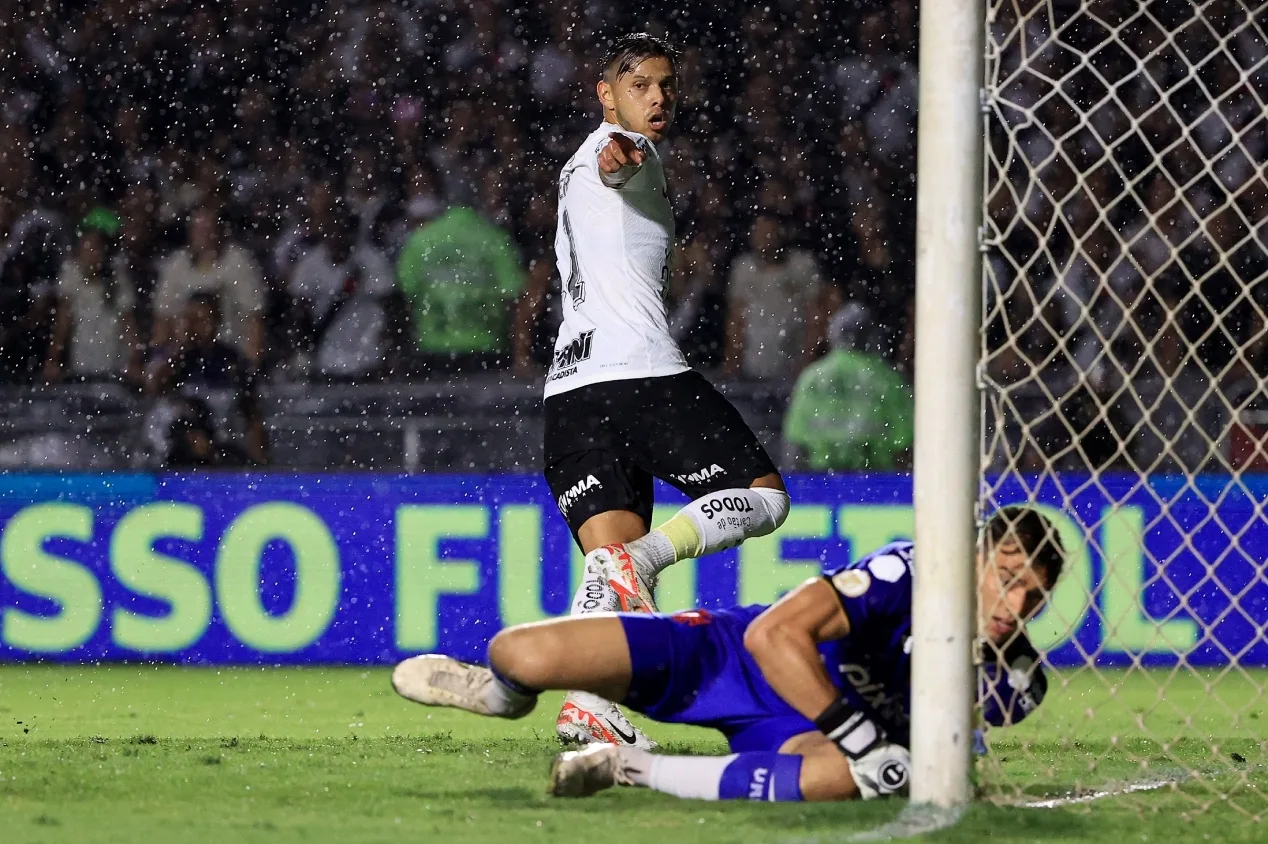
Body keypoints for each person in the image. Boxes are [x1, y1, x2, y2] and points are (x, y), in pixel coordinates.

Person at [393, 506, 1063, 802]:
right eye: (1008, 580)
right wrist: (861, 736)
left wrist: (885, 757)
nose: (1016, 605)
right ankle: (499, 698)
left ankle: (626, 768)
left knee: (848, 779)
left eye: (1034, 596)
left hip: (799, 731)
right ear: (978, 556)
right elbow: (772, 637)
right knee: (521, 655)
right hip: (728, 659)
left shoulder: (1014, 678)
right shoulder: (905, 574)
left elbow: (950, 744)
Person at [541, 33, 789, 748]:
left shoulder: (570, 169)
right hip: (638, 376)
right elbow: (619, 159)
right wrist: (624, 152)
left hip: (570, 395)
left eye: (666, 85)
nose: (657, 98)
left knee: (612, 575)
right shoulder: (624, 152)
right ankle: (643, 559)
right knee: (765, 497)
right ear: (605, 93)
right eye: (640, 85)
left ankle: (591, 705)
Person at [782, 304, 913, 471]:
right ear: (872, 336)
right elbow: (905, 442)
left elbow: (795, 439)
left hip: (821, 480)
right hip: (876, 480)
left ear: (833, 334)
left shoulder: (812, 377)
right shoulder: (888, 379)